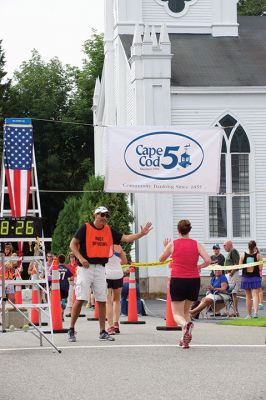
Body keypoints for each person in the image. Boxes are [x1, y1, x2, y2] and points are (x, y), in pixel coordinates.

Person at [68, 206, 152, 342]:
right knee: (81, 298)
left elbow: (125, 238)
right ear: (95, 215)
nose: (104, 217)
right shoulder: (85, 228)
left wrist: (141, 234)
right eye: (101, 214)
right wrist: (81, 258)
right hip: (85, 267)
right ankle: (71, 329)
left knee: (102, 299)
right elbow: (73, 244)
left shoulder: (108, 230)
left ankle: (102, 331)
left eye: (106, 215)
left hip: (101, 268)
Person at [159, 219, 210, 349]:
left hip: (178, 279)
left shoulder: (173, 244)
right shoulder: (196, 244)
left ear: (178, 230)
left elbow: (161, 259)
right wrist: (199, 266)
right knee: (186, 312)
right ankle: (184, 338)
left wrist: (166, 247)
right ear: (189, 230)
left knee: (176, 314)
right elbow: (208, 260)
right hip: (193, 280)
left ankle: (184, 326)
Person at [105, 244, 127, 335]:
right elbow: (125, 261)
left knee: (108, 301)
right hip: (118, 274)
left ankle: (110, 327)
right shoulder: (119, 247)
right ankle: (116, 324)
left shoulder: (103, 246)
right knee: (117, 300)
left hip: (106, 274)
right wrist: (117, 263)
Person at [239, 241, 263, 319]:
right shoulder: (258, 256)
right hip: (255, 277)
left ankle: (249, 315)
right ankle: (255, 313)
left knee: (248, 297)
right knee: (255, 296)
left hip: (245, 277)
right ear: (255, 246)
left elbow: (239, 266)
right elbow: (260, 268)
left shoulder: (243, 255)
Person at [223, 241, 240, 316]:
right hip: (228, 274)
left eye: (225, 245)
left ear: (229, 245)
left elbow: (237, 263)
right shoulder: (230, 252)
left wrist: (232, 273)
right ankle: (227, 311)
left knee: (233, 293)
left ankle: (236, 312)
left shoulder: (233, 251)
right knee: (227, 293)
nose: (224, 247)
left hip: (232, 274)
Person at [58, 254, 73, 321]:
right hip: (65, 287)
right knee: (63, 299)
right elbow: (72, 277)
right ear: (64, 261)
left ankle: (59, 313)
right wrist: (69, 279)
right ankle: (62, 307)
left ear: (58, 260)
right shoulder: (67, 268)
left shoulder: (56, 267)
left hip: (57, 287)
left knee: (57, 301)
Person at [65, 253, 78, 317]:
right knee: (70, 296)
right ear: (69, 258)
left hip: (77, 281)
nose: (72, 259)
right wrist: (69, 278)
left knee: (77, 296)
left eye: (73, 257)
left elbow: (79, 272)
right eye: (71, 257)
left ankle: (77, 311)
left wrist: (74, 277)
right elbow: (66, 275)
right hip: (70, 282)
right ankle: (70, 311)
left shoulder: (77, 265)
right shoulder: (67, 266)